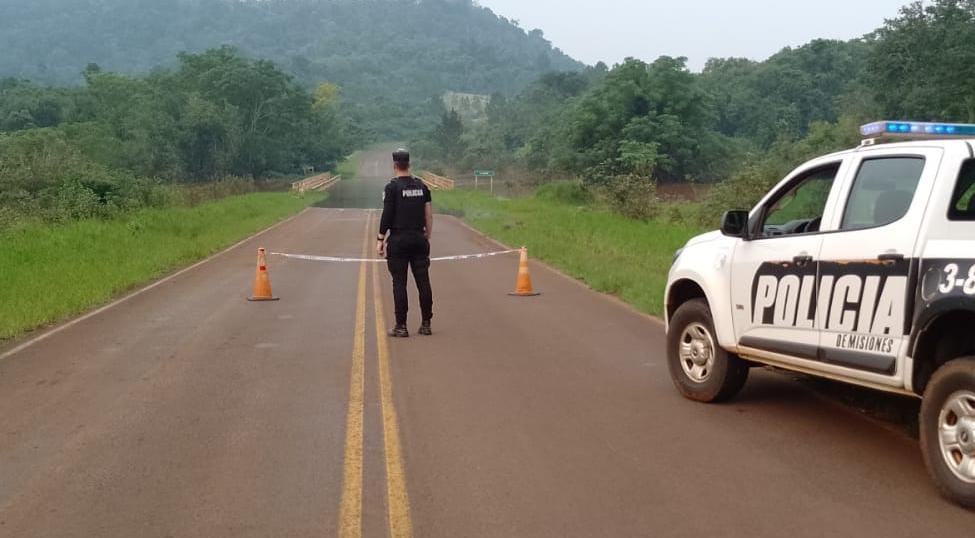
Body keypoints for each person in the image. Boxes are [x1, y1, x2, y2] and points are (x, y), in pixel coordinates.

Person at [377, 149, 434, 337]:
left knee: (399, 283)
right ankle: (426, 324)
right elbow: (428, 214)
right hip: (419, 239)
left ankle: (401, 326)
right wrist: (427, 235)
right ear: (409, 164)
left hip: (399, 240)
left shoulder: (392, 188)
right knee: (423, 282)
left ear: (394, 165)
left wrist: (380, 239)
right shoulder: (422, 186)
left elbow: (387, 214)